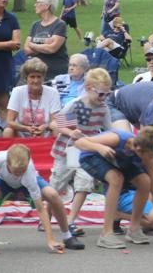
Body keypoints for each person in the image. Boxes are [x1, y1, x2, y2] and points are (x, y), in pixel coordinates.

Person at [0, 144, 84, 253]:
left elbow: (40, 209)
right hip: (3, 182)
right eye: (16, 171)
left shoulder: (28, 174)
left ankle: (67, 236)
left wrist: (50, 239)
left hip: (26, 185)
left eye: (22, 170)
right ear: (7, 162)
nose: (19, 174)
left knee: (53, 195)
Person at [76, 126, 153, 249]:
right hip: (92, 156)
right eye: (149, 156)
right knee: (116, 179)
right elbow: (80, 142)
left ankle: (134, 228)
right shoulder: (117, 138)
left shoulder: (149, 155)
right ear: (139, 150)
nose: (151, 159)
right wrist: (100, 147)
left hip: (118, 162)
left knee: (145, 181)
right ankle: (106, 234)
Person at [49, 68, 115, 237]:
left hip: (86, 149)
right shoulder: (77, 105)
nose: (104, 98)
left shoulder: (103, 108)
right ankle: (46, 216)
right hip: (68, 148)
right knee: (57, 184)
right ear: (88, 88)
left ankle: (70, 221)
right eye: (101, 94)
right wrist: (72, 132)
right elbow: (57, 125)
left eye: (107, 94)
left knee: (84, 183)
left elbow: (108, 131)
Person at [3, 58, 61, 138]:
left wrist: (45, 127)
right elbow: (10, 121)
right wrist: (26, 128)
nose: (36, 81)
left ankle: (55, 150)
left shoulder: (53, 92)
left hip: (45, 134)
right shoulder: (17, 91)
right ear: (26, 78)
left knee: (57, 126)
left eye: (39, 77)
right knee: (8, 131)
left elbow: (55, 120)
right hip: (21, 134)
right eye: (32, 77)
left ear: (43, 77)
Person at [24, 0, 69, 80]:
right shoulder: (35, 25)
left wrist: (33, 45)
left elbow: (52, 49)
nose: (34, 5)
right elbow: (27, 50)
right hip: (37, 72)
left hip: (56, 73)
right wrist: (45, 43)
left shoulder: (59, 24)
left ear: (47, 6)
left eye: (37, 2)